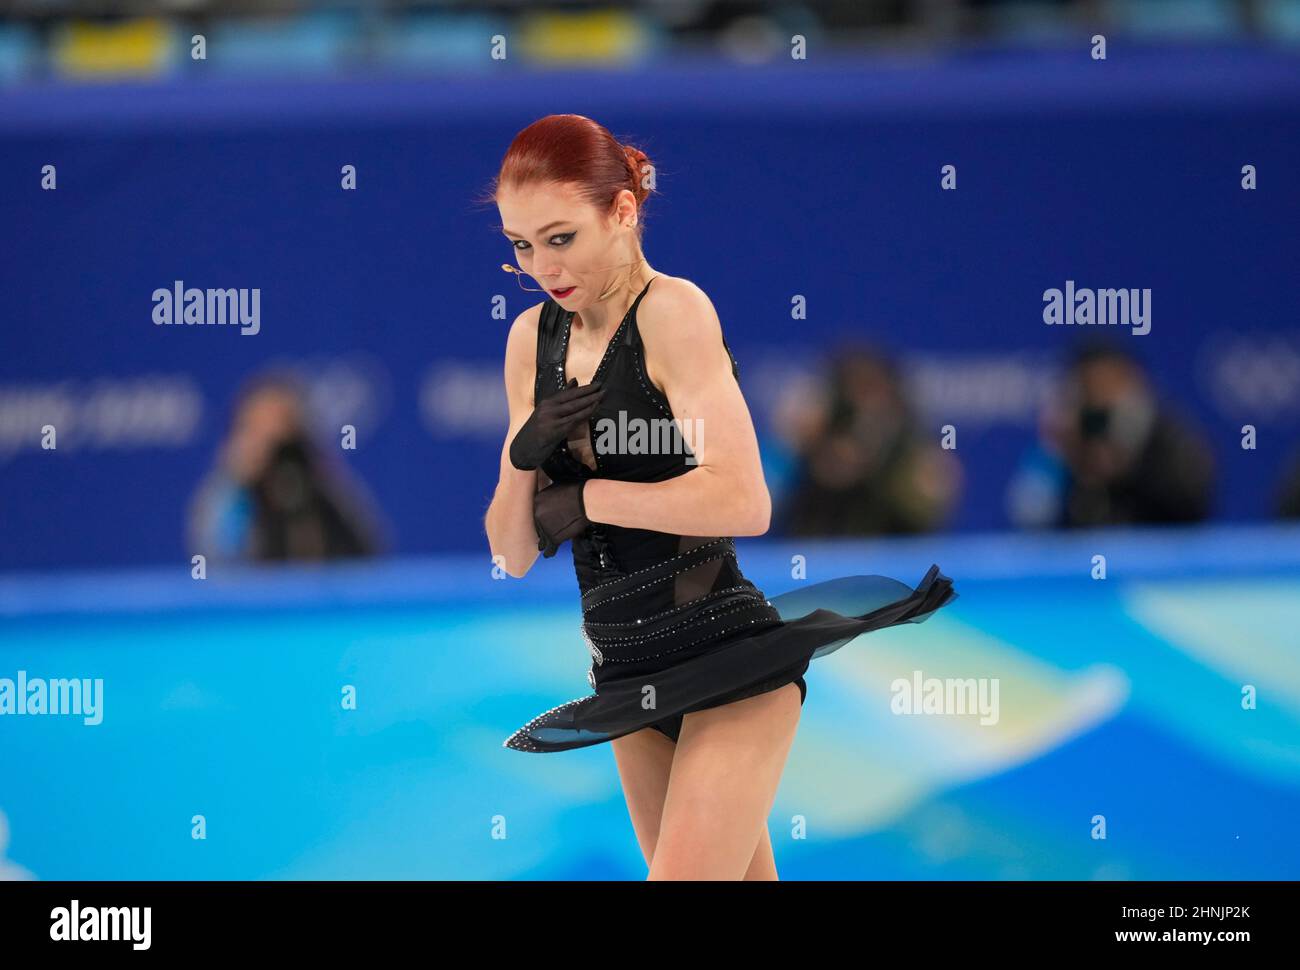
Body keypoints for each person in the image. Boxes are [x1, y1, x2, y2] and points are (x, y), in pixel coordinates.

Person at [481, 114, 957, 880]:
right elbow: (509, 555)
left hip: (724, 658)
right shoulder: (531, 341)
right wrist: (521, 453)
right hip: (625, 676)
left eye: (560, 237)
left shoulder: (675, 314)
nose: (542, 266)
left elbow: (743, 500)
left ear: (623, 212)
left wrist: (591, 498)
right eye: (520, 245)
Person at [188, 371, 384, 563]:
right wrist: (235, 483)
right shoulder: (230, 493)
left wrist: (318, 477)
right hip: (253, 591)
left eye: (280, 431)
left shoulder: (324, 484)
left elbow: (368, 548)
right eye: (256, 430)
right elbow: (213, 557)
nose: (270, 448)